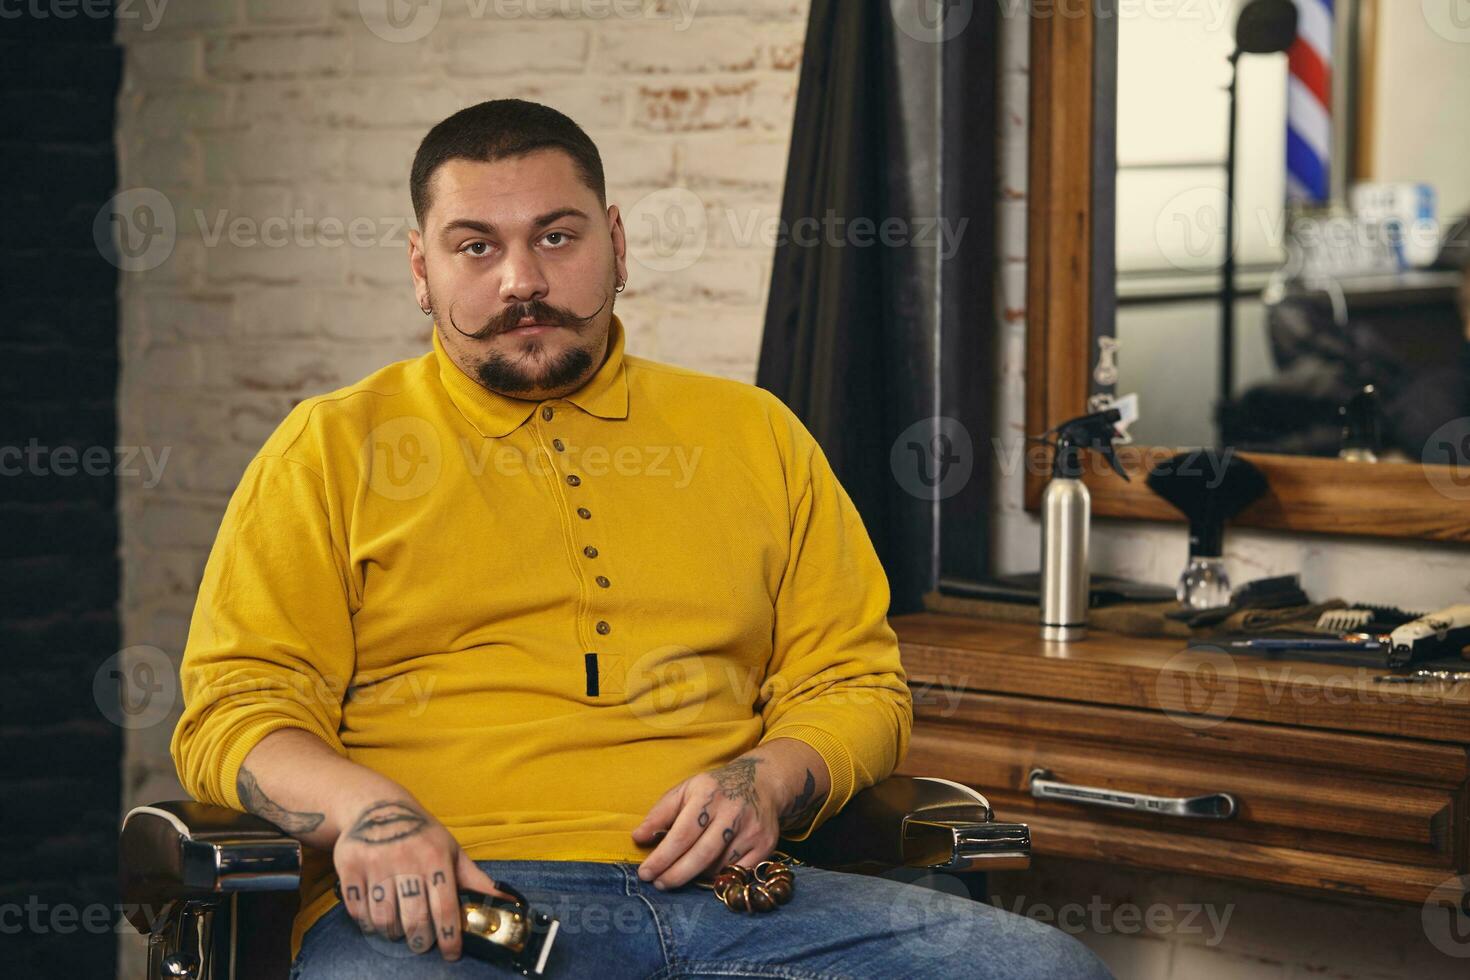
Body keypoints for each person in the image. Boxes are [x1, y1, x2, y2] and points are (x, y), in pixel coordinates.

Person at [171, 99, 1112, 980]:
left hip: (743, 902)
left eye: (556, 236)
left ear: (614, 241)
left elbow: (856, 682)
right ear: (422, 269)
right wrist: (364, 816)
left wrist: (772, 776)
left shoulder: (755, 435)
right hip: (458, 913)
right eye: (475, 247)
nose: (523, 281)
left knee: (1048, 968)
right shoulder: (333, 447)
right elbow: (237, 708)